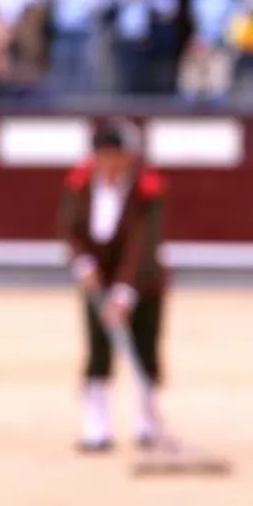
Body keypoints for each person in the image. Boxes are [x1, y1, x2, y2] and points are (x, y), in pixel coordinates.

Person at [58, 123, 169, 452]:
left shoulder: (148, 188)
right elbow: (68, 229)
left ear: (128, 158)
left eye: (115, 157)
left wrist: (124, 291)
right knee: (97, 350)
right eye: (103, 157)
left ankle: (146, 425)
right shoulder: (78, 184)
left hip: (143, 280)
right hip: (97, 281)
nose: (109, 165)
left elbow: (143, 244)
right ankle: (97, 428)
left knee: (144, 347)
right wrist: (83, 264)